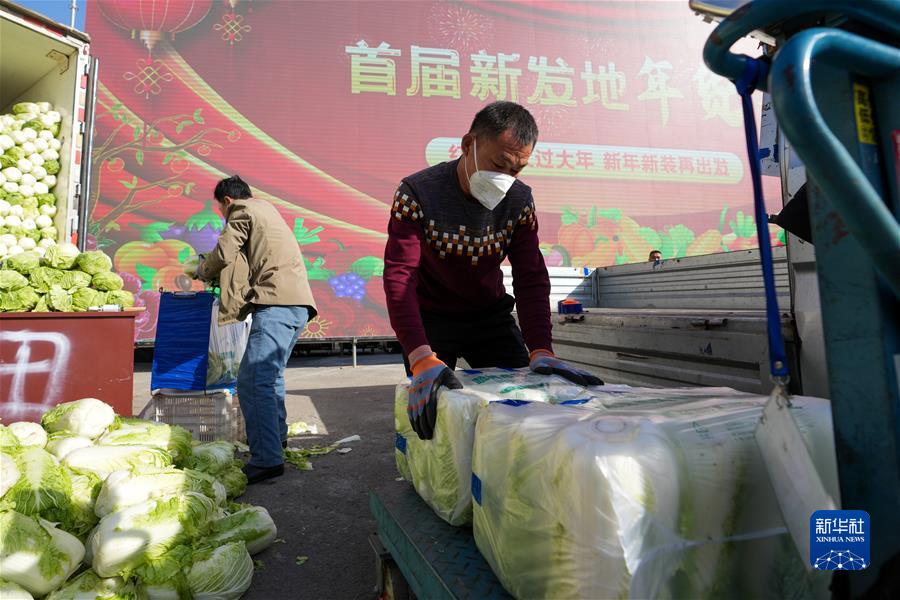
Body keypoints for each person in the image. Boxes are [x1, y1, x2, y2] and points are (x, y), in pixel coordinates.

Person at [383, 101, 602, 440]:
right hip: (432, 319)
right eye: (498, 164)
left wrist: (541, 348)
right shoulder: (418, 193)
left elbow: (530, 278)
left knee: (526, 407)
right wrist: (420, 355)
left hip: (488, 317)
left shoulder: (519, 201)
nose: (505, 179)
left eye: (516, 170)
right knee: (434, 419)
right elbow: (400, 277)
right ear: (468, 145)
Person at [198, 175, 317, 483]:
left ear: (227, 201)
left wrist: (202, 270)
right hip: (297, 305)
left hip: (277, 306)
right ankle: (275, 442)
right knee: (270, 377)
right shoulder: (267, 210)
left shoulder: (241, 211)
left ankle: (267, 459)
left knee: (252, 381)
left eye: (221, 211)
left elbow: (224, 253)